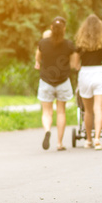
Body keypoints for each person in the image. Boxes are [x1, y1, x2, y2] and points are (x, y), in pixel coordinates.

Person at [35, 16, 76, 151]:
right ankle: (59, 143)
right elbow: (73, 64)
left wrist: (38, 64)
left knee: (47, 112)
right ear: (64, 29)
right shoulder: (69, 45)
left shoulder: (43, 43)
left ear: (51, 28)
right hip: (63, 81)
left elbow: (37, 60)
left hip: (46, 81)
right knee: (61, 112)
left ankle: (47, 130)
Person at [72, 14, 102, 151]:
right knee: (98, 108)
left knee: (87, 110)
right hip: (99, 74)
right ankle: (97, 139)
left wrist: (81, 68)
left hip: (85, 74)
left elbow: (75, 64)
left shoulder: (80, 44)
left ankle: (88, 140)